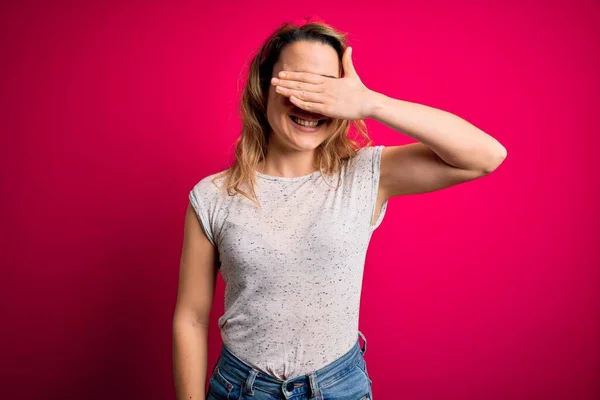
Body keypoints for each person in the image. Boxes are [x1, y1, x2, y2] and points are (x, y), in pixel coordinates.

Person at [173, 17, 507, 400]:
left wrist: (371, 103)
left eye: (326, 89)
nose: (309, 102)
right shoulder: (213, 196)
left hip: (338, 388)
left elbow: (486, 156)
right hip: (240, 388)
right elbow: (192, 318)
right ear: (263, 88)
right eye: (296, 83)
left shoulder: (365, 174)